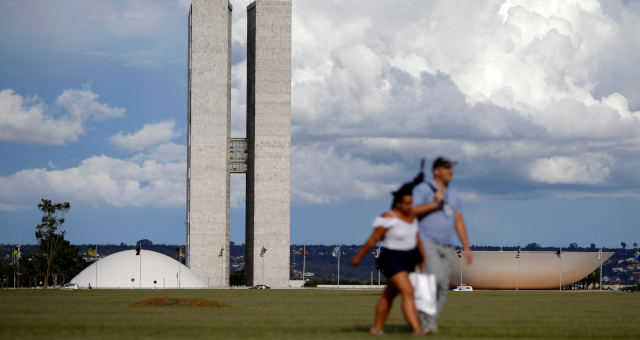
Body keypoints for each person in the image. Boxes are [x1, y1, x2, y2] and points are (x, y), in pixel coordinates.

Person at [351, 182, 428, 335]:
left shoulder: (412, 218)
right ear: (398, 203)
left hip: (408, 259)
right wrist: (359, 256)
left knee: (389, 295)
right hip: (392, 258)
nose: (409, 206)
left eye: (411, 203)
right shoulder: (388, 217)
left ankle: (376, 329)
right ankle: (417, 329)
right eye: (406, 203)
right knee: (408, 291)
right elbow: (373, 239)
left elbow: (417, 238)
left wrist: (423, 258)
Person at [412, 157, 473, 333]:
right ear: (436, 171)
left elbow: (458, 220)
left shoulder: (453, 193)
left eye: (451, 168)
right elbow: (413, 211)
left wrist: (466, 247)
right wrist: (434, 203)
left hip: (447, 245)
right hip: (427, 241)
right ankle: (426, 322)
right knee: (434, 279)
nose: (450, 171)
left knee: (443, 285)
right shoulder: (423, 189)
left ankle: (429, 323)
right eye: (446, 168)